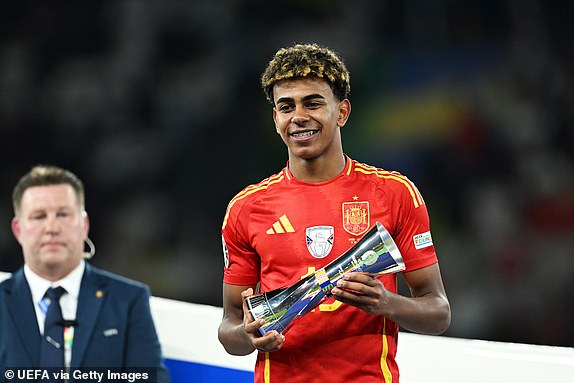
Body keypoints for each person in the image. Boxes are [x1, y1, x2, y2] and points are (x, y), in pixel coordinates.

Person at [218, 43, 451, 382]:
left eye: (313, 103)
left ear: (341, 112)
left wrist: (386, 303)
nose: (299, 116)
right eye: (287, 107)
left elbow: (438, 313)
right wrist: (247, 335)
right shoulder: (245, 209)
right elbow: (230, 326)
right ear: (276, 119)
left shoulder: (395, 194)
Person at [0, 165, 170, 382]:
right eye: (39, 216)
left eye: (63, 214)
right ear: (18, 229)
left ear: (84, 225)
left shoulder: (127, 300)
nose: (51, 227)